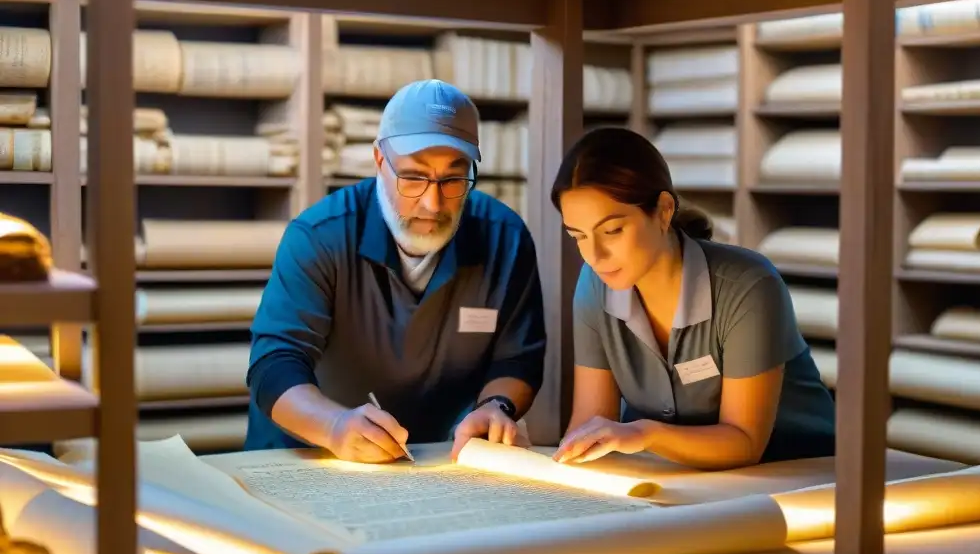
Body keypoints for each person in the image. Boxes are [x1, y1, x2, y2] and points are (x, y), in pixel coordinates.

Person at [245, 80, 546, 463]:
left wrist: (496, 406)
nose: (433, 203)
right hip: (308, 457)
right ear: (379, 161)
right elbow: (274, 364)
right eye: (414, 177)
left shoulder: (505, 238)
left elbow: (517, 358)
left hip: (436, 460)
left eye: (453, 179)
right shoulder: (320, 236)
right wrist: (335, 427)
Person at [550, 126, 834, 469]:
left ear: (664, 210)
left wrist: (644, 434)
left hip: (800, 476)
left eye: (612, 231)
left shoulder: (749, 286)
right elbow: (589, 422)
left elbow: (744, 441)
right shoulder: (595, 285)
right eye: (578, 236)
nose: (593, 254)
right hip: (685, 480)